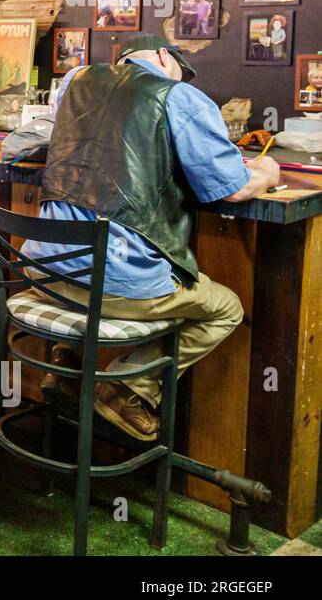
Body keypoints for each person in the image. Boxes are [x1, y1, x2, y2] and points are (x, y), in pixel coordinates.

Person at [25, 35, 281, 441]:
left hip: (40, 270)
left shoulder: (74, 79)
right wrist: (268, 173)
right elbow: (231, 188)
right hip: (114, 287)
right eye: (182, 71)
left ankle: (69, 369)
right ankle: (125, 388)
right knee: (227, 308)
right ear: (165, 57)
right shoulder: (179, 97)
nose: (185, 81)